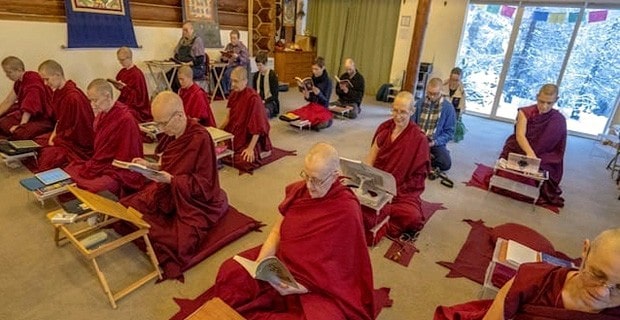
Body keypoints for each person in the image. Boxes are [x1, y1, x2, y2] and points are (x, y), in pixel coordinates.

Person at [213, 143, 377, 319]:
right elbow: (277, 231)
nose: (309, 185)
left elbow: (344, 268)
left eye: (316, 180)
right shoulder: (299, 191)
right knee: (230, 272)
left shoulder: (347, 210)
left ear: (335, 176)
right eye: (306, 176)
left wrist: (302, 287)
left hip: (320, 286)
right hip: (283, 263)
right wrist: (261, 264)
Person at [120, 91, 229, 278]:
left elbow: (205, 185)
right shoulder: (173, 133)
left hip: (195, 202)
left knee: (180, 244)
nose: (160, 129)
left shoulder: (200, 138)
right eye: (158, 123)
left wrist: (171, 180)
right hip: (170, 189)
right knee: (128, 206)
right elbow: (172, 165)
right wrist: (150, 166)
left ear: (179, 116)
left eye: (163, 123)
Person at [435, 228, 620, 319]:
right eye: (597, 274)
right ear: (585, 251)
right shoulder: (535, 279)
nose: (602, 292)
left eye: (619, 288)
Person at [364, 91, 430, 239]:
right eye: (395, 110)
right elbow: (369, 161)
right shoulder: (384, 129)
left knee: (412, 217)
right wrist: (368, 184)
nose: (397, 116)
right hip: (377, 186)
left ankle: (374, 214)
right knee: (350, 196)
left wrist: (395, 192)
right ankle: (375, 212)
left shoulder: (419, 139)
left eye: (403, 112)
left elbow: (418, 179)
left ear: (412, 111)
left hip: (401, 193)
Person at [64, 79, 143, 196]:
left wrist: (104, 166)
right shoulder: (102, 114)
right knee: (69, 170)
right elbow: (100, 149)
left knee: (98, 187)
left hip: (119, 169)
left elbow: (128, 156)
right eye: (90, 101)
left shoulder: (126, 119)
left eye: (95, 100)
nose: (92, 105)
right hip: (101, 164)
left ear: (107, 96)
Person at [498, 83, 567, 207]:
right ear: (536, 97)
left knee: (534, 180)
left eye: (549, 103)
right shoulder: (525, 112)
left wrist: (538, 159)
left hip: (544, 155)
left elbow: (557, 147)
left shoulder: (559, 120)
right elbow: (520, 135)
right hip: (521, 149)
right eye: (541, 101)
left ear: (556, 100)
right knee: (507, 179)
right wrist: (530, 154)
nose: (544, 106)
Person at [35, 60, 95, 172]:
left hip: (78, 143)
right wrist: (54, 135)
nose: (45, 84)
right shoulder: (58, 92)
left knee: (49, 156)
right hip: (64, 136)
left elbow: (81, 130)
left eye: (47, 79)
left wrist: (57, 139)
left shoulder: (73, 97)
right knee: (38, 141)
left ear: (57, 75)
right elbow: (59, 120)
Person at [220, 66, 272, 173]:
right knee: (218, 152)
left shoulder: (253, 98)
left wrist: (250, 148)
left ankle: (262, 151)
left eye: (236, 81)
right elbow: (228, 118)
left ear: (245, 81)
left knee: (245, 161)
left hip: (249, 138)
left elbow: (258, 127)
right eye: (232, 81)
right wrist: (218, 132)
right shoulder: (233, 94)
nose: (233, 84)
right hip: (235, 134)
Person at [0, 56, 53, 140]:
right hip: (28, 116)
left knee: (20, 133)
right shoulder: (19, 82)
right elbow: (8, 101)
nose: (7, 76)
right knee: (2, 122)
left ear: (19, 70)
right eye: (6, 73)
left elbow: (29, 107)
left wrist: (21, 126)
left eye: (9, 72)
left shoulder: (32, 80)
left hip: (43, 118)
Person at [411, 77, 456, 172]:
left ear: (441, 91)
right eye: (429, 93)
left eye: (435, 94)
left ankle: (423, 160)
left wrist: (435, 142)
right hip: (418, 140)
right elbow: (412, 123)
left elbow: (449, 133)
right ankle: (424, 160)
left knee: (445, 163)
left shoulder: (448, 108)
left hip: (435, 142)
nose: (432, 97)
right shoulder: (419, 103)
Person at [281, 56, 333, 131]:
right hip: (313, 106)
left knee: (319, 118)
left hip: (322, 108)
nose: (314, 71)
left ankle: (323, 122)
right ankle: (313, 124)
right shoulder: (312, 78)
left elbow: (326, 101)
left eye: (316, 69)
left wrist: (319, 94)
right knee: (300, 114)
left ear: (323, 68)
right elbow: (311, 99)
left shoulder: (328, 81)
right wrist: (307, 95)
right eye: (313, 69)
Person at [113, 46, 152, 123]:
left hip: (136, 107)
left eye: (122, 60)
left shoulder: (137, 74)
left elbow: (139, 98)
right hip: (125, 101)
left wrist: (124, 88)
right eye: (119, 60)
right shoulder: (123, 71)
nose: (120, 62)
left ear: (129, 57)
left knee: (122, 114)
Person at [169, 22, 206, 93]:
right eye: (183, 30)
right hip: (183, 66)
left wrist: (188, 64)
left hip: (196, 68)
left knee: (180, 76)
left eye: (186, 30)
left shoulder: (197, 40)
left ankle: (184, 96)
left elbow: (200, 59)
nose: (184, 32)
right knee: (169, 75)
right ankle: (176, 96)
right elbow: (176, 54)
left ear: (192, 30)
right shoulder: (182, 40)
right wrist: (178, 61)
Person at [220, 29, 249, 96]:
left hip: (238, 67)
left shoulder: (242, 47)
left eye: (234, 38)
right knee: (215, 70)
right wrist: (224, 57)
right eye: (231, 38)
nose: (232, 40)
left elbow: (245, 60)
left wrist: (238, 57)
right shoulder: (229, 46)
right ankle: (223, 92)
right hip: (229, 65)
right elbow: (224, 56)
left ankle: (230, 92)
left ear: (238, 38)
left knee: (229, 73)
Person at [251, 51, 279, 118]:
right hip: (259, 100)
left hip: (270, 102)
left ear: (266, 63)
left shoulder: (272, 75)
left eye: (260, 65)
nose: (258, 67)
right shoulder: (256, 75)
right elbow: (254, 91)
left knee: (263, 113)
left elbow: (275, 95)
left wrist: (264, 101)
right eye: (257, 65)